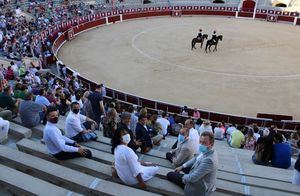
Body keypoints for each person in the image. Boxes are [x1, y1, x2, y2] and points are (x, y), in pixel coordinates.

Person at [166, 131, 218, 196]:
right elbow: (196, 158)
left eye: (204, 143)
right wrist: (182, 166)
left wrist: (182, 178)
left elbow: (192, 178)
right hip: (197, 172)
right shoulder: (209, 150)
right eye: (200, 142)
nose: (201, 144)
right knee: (181, 168)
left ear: (211, 144)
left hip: (199, 187)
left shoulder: (209, 160)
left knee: (170, 174)